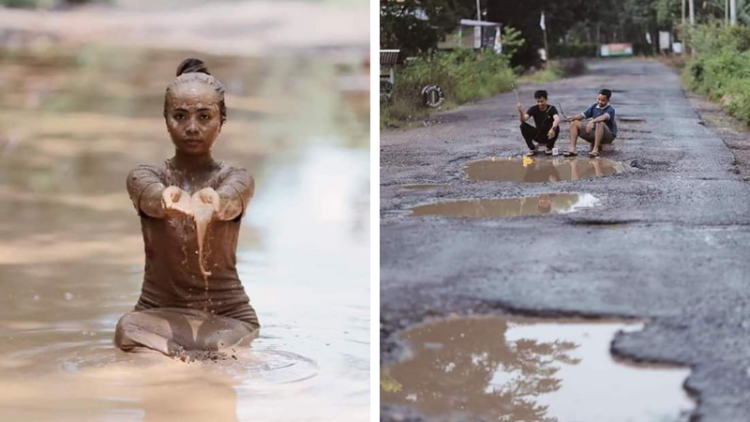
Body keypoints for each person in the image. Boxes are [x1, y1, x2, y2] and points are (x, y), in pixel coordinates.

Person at [115, 58, 260, 358]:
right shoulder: (145, 176)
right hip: (158, 315)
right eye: (180, 116)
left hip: (228, 318)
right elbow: (152, 198)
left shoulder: (236, 178)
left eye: (204, 116)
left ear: (222, 120)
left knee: (221, 348)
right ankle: (186, 368)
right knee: (127, 328)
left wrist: (215, 204)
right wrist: (169, 201)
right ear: (165, 118)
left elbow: (232, 200)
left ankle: (185, 363)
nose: (192, 128)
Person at [564, 89, 618, 158]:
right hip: (595, 132)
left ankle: (595, 149)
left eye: (603, 100)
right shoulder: (594, 106)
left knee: (600, 122)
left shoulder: (610, 109)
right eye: (599, 99)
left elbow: (604, 117)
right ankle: (572, 149)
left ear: (608, 100)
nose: (600, 102)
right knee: (574, 123)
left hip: (607, 136)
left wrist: (592, 121)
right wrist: (573, 117)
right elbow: (582, 115)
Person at [517, 90, 561, 157]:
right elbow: (523, 120)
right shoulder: (533, 109)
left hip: (550, 135)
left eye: (542, 101)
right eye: (538, 101)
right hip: (538, 135)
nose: (540, 103)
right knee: (522, 125)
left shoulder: (552, 108)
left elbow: (557, 119)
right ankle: (532, 148)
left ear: (546, 100)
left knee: (556, 127)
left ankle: (549, 147)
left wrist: (553, 128)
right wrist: (521, 112)